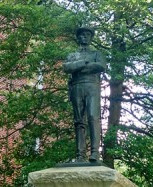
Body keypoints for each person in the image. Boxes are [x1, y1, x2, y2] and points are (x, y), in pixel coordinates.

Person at [63, 27, 106, 162]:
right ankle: (80, 155)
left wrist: (78, 67)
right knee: (79, 121)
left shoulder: (96, 54)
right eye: (82, 35)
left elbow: (101, 66)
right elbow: (67, 67)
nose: (85, 37)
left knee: (93, 117)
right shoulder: (72, 55)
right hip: (77, 87)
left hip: (92, 87)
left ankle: (94, 153)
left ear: (91, 37)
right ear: (78, 38)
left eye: (88, 35)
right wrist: (83, 63)